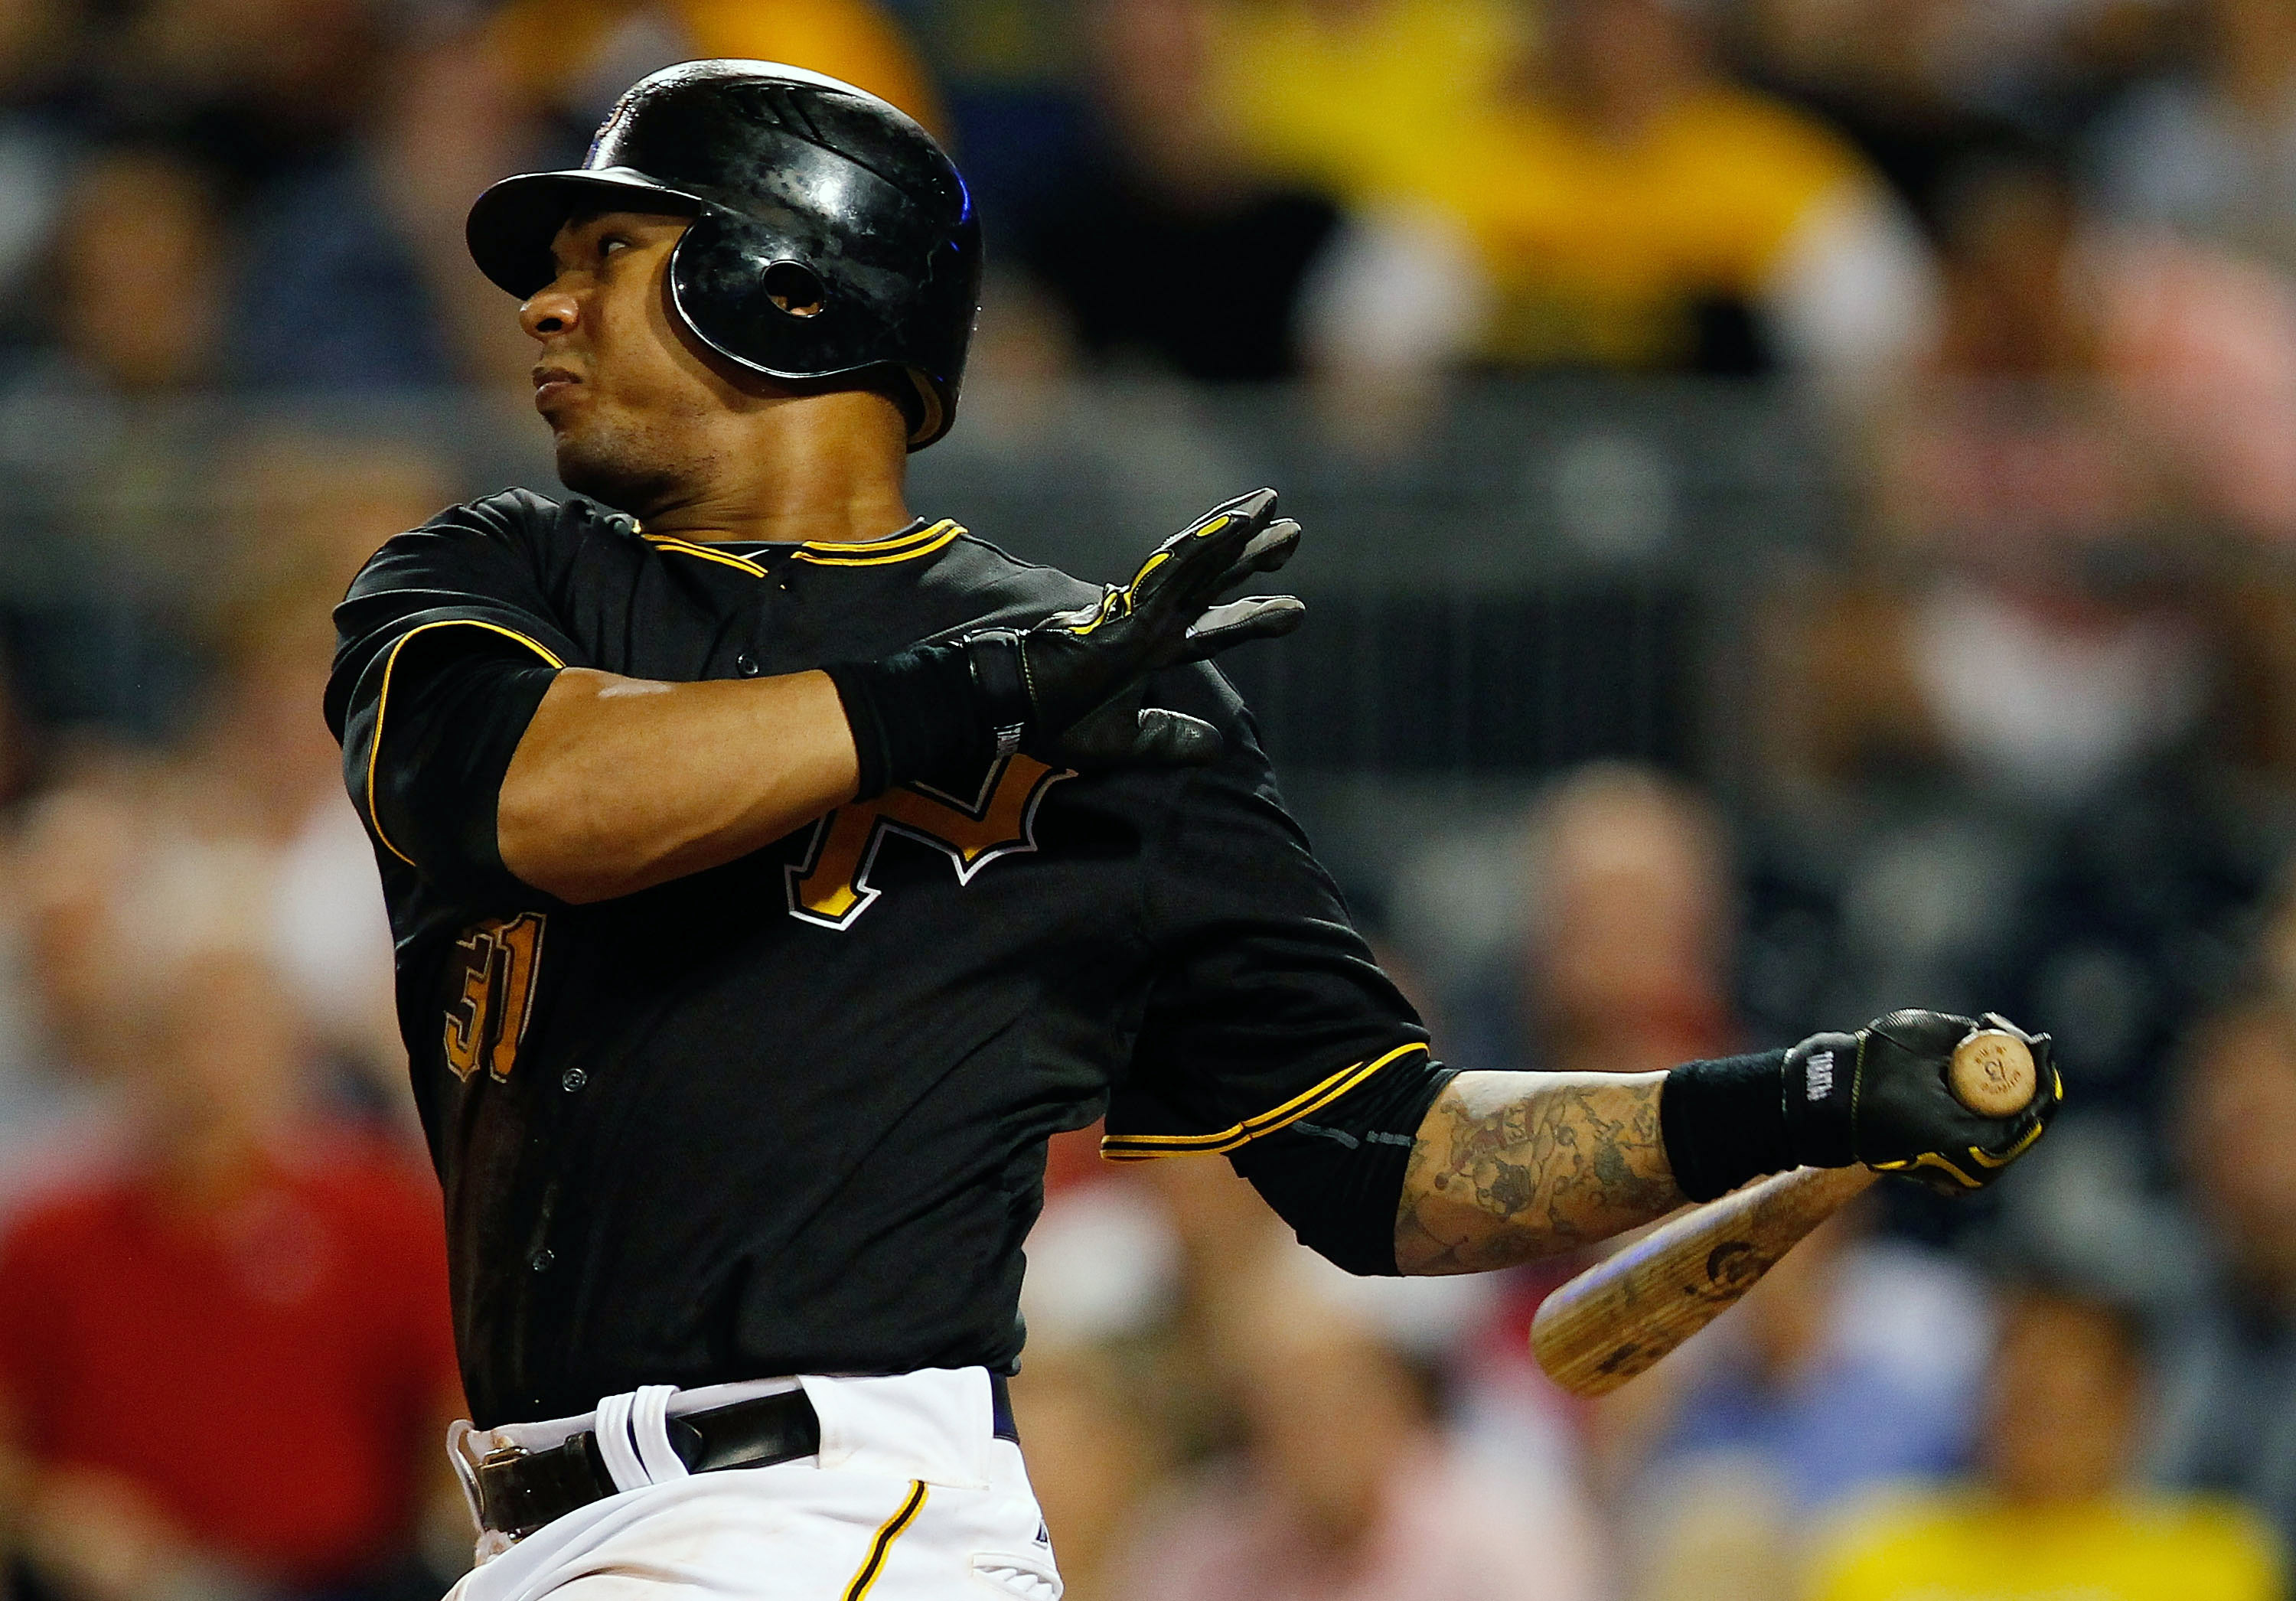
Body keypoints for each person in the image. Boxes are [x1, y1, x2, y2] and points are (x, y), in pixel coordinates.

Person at [325, 58, 2060, 1599]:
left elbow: (1385, 1157)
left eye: (603, 252)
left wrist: (1793, 1098)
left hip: (817, 1513)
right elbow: (535, 800)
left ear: (779, 284)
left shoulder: (1111, 707)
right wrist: (976, 693)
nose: (543, 306)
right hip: (541, 1530)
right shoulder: (496, 581)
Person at [1805, 1279, 2284, 1601]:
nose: (2038, 1389)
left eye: (2067, 1383)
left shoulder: (2216, 1566)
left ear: (2133, 1404)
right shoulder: (1880, 1556)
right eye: (2020, 1376)